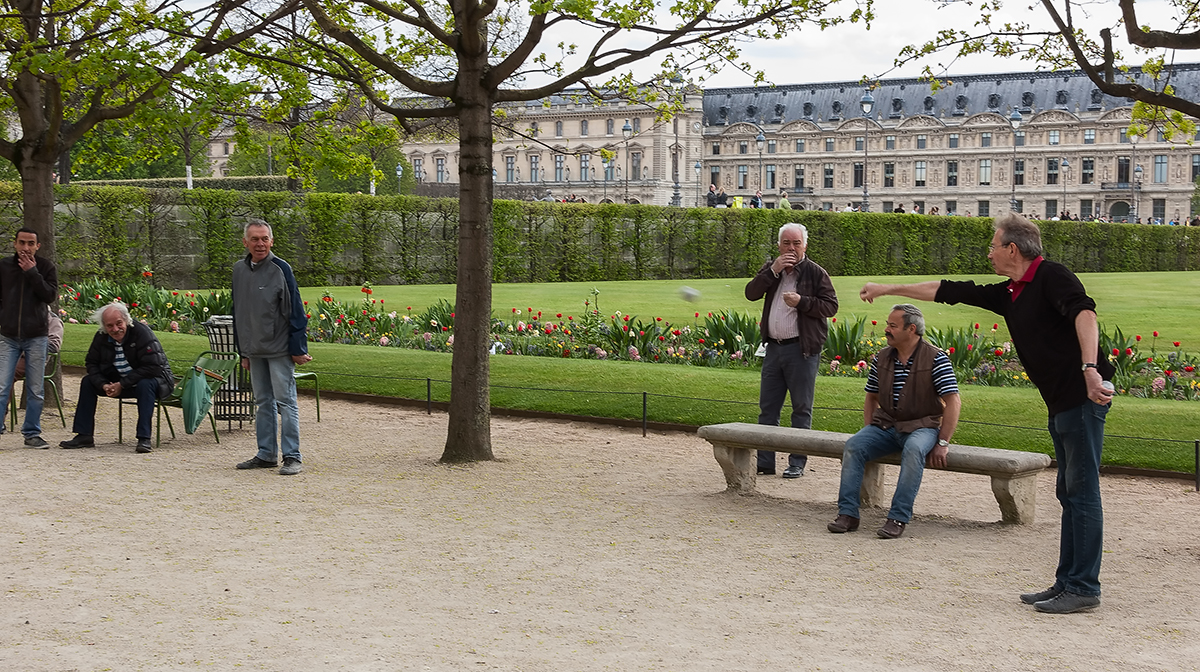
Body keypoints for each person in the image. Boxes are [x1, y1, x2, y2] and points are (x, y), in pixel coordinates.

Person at [859, 213, 1113, 614]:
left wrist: (1090, 369)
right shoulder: (1012, 292)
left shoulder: (1052, 276)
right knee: (1069, 491)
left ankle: (1084, 586)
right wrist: (890, 287)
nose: (989, 253)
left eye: (993, 246)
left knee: (1081, 493)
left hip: (1082, 399)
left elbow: (1085, 314)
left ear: (1013, 249)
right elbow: (947, 289)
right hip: (1062, 402)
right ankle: (1068, 581)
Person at [827, 304, 960, 539]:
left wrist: (942, 442)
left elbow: (953, 401)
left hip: (922, 426)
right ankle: (848, 514)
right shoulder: (882, 357)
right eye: (887, 324)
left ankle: (898, 517)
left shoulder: (936, 358)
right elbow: (871, 396)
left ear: (911, 329)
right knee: (854, 445)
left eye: (892, 325)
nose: (886, 329)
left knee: (914, 449)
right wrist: (869, 428)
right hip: (887, 425)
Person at [745, 223, 839, 478]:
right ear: (779, 245)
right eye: (786, 243)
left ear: (805, 246)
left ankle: (797, 461)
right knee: (768, 409)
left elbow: (831, 306)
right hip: (774, 349)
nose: (791, 248)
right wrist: (772, 271)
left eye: (796, 243)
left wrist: (802, 302)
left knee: (801, 408)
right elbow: (751, 293)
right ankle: (765, 461)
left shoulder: (816, 273)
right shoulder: (772, 270)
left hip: (802, 350)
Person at [232, 219, 313, 476]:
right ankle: (266, 454)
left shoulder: (281, 269)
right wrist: (242, 351)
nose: (260, 244)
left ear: (272, 241)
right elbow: (239, 313)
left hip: (278, 348)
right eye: (255, 239)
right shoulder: (238, 270)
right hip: (254, 350)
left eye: (264, 238)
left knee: (286, 403)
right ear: (245, 242)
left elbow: (296, 310)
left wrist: (298, 348)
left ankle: (292, 456)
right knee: (262, 402)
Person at [60, 302, 175, 453]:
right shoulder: (101, 337)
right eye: (109, 326)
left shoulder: (142, 332)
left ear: (126, 320)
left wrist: (123, 384)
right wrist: (103, 385)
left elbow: (153, 367)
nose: (115, 329)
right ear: (104, 327)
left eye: (119, 323)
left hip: (155, 382)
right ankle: (84, 435)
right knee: (88, 382)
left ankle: (144, 438)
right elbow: (91, 363)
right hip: (120, 381)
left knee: (145, 384)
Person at [0, 228, 58, 448]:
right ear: (14, 244)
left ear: (38, 246)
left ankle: (32, 433)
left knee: (36, 389)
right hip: (8, 336)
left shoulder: (46, 267)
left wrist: (33, 272)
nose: (26, 248)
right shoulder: (4, 267)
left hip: (36, 337)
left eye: (30, 243)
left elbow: (50, 295)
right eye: (22, 243)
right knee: (1, 386)